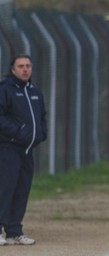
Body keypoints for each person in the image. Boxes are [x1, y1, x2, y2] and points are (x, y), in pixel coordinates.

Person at [0, 55, 47, 245]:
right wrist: (18, 132)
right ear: (13, 70)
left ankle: (14, 231)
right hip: (9, 147)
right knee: (5, 188)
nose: (25, 69)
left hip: (28, 150)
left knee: (22, 189)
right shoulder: (5, 90)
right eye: (21, 66)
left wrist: (41, 134)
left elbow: (42, 117)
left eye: (28, 66)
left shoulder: (35, 92)